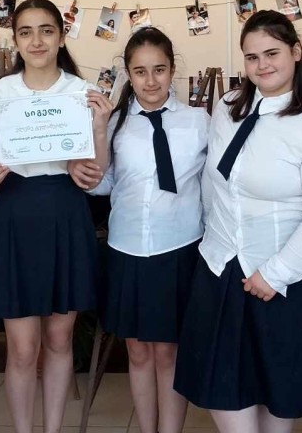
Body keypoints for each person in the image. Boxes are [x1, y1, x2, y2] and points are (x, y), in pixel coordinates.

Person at [174, 10, 302, 433]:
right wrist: (209, 242)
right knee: (223, 388)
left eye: (272, 53)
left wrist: (276, 273)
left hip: (283, 278)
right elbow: (213, 183)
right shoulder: (227, 108)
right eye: (252, 57)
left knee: (278, 393)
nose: (262, 65)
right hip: (221, 268)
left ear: (295, 52)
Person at [0, 0, 114, 433]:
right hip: (15, 214)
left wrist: (99, 130)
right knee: (21, 348)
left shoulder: (82, 93)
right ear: (15, 40)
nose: (37, 41)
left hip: (65, 212)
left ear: (61, 36)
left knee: (58, 338)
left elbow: (95, 174)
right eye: (26, 32)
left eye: (46, 30)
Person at [71, 28, 209, 433]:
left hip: (178, 249)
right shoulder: (115, 123)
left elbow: (216, 187)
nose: (151, 81)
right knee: (137, 352)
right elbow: (99, 185)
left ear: (172, 70)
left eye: (159, 70)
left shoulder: (198, 122)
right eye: (140, 71)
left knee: (168, 353)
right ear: (128, 74)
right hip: (127, 249)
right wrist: (99, 130)